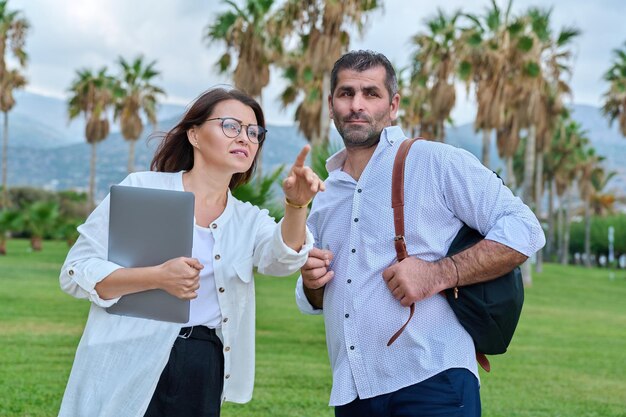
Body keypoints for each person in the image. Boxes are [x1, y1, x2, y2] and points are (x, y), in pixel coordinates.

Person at [295, 50, 546, 417]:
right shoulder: (326, 194)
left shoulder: (435, 162)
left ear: (393, 105)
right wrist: (312, 281)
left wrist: (438, 273)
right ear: (331, 105)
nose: (356, 105)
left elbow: (524, 228)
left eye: (371, 93)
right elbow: (315, 299)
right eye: (346, 93)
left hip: (433, 379)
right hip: (354, 388)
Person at [58, 87, 324, 417]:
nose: (244, 138)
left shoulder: (248, 220)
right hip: (127, 352)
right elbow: (75, 271)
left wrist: (296, 205)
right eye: (231, 126)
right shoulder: (141, 189)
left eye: (253, 132)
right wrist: (157, 277)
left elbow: (282, 259)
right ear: (194, 135)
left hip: (203, 362)